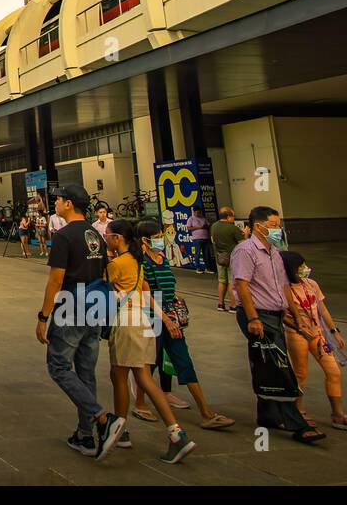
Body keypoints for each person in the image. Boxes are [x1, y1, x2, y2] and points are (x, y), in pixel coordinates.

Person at [34, 183, 125, 459]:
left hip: (72, 304)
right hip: (96, 303)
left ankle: (101, 418)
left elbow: (56, 280)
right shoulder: (94, 234)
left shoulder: (63, 236)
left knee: (58, 366)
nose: (56, 204)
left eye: (59, 200)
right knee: (86, 370)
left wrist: (43, 316)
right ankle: (85, 436)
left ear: (69, 204)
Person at [100, 219, 197, 463]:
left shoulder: (117, 264)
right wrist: (164, 320)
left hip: (126, 322)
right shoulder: (137, 261)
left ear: (118, 238)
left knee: (119, 376)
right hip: (144, 321)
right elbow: (146, 291)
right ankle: (176, 433)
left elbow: (103, 290)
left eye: (108, 235)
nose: (106, 239)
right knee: (143, 377)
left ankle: (119, 430)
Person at [231, 205, 325, 444]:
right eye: (273, 226)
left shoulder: (274, 252)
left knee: (266, 364)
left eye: (278, 225)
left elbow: (283, 286)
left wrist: (293, 314)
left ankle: (268, 416)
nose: (277, 229)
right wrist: (253, 318)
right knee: (278, 365)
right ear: (258, 226)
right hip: (257, 315)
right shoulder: (245, 251)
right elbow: (242, 286)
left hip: (275, 314)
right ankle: (297, 423)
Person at [130, 219, 235, 431]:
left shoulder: (162, 259)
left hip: (170, 318)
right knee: (149, 364)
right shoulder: (141, 263)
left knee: (184, 362)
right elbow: (147, 294)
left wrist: (175, 311)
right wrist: (166, 319)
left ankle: (206, 412)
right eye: (159, 235)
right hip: (153, 319)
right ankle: (140, 404)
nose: (162, 239)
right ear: (145, 239)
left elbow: (169, 288)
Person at [279, 250, 347, 431]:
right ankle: (298, 411)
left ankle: (338, 415)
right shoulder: (283, 289)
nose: (304, 269)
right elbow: (281, 314)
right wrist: (297, 328)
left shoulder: (311, 284)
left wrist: (334, 331)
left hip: (318, 335)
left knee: (334, 372)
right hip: (297, 336)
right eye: (300, 266)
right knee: (300, 374)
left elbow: (322, 309)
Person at [211, 206, 244, 311]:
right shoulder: (233, 228)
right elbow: (242, 244)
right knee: (231, 282)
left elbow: (213, 240)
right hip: (232, 257)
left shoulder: (214, 226)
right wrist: (246, 234)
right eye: (233, 216)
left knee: (221, 281)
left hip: (220, 257)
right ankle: (233, 305)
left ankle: (220, 304)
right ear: (228, 216)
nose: (234, 218)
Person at [186, 206, 210, 273]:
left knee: (206, 254)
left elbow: (208, 225)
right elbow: (188, 228)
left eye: (199, 212)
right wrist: (199, 227)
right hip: (197, 239)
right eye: (196, 212)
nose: (198, 213)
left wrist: (206, 226)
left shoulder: (203, 218)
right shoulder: (191, 219)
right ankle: (198, 268)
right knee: (197, 253)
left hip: (205, 238)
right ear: (194, 212)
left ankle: (207, 268)